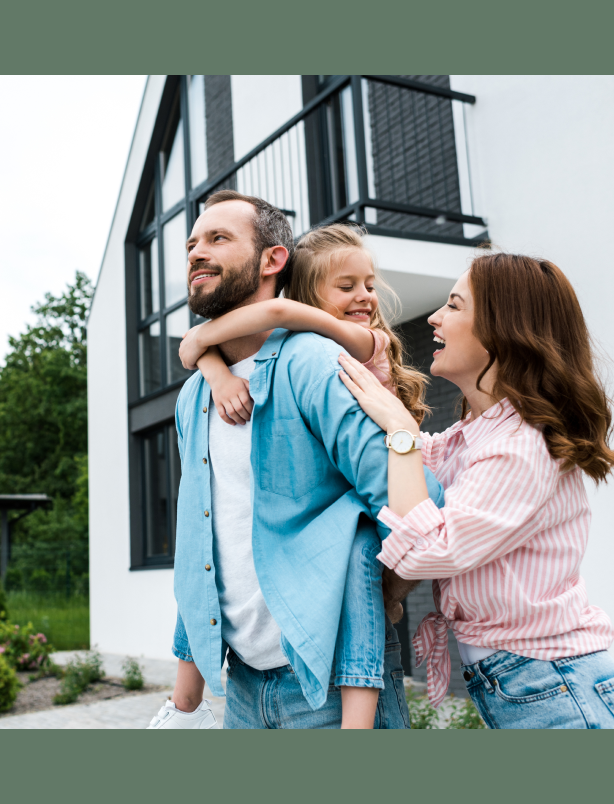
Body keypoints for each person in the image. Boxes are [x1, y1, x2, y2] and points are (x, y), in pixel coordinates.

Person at [146, 192, 442, 730]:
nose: (195, 252)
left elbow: (409, 500)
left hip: (330, 689)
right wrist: (184, 699)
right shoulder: (194, 396)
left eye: (217, 239)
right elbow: (203, 546)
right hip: (241, 688)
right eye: (191, 243)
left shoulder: (314, 362)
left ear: (272, 260)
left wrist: (383, 597)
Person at [335, 252, 614, 729]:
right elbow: (418, 461)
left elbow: (425, 550)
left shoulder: (521, 446)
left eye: (455, 306)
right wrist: (378, 385)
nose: (435, 318)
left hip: (557, 689)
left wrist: (398, 428)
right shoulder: (477, 433)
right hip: (534, 683)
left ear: (505, 329)